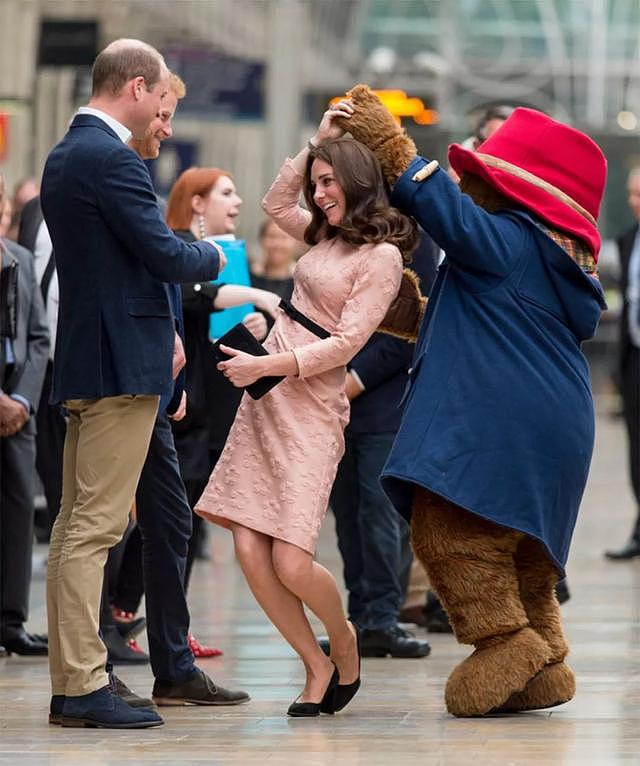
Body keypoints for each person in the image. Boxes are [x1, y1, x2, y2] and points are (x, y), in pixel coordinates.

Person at [339, 86, 606, 717]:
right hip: (556, 420)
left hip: (506, 422)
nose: (469, 176)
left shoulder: (510, 237)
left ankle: (506, 642)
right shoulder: (546, 256)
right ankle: (546, 661)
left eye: (484, 169)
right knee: (522, 555)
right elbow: (488, 316)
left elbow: (439, 208)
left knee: (449, 531)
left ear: (518, 189)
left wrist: (386, 141)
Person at [195, 103, 416, 717]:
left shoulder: (382, 258)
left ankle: (342, 638)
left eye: (328, 181)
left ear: (358, 181)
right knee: (247, 547)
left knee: (291, 557)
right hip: (264, 395)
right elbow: (273, 202)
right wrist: (314, 141)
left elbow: (347, 345)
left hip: (309, 406)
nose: (318, 194)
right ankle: (315, 664)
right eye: (315, 183)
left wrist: (264, 365)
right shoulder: (324, 235)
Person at [40, 38, 224, 729]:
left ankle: (74, 680)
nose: (161, 119)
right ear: (139, 87)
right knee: (95, 527)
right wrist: (214, 252)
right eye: (162, 104)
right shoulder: (109, 158)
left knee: (75, 527)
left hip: (91, 358)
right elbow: (162, 251)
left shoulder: (69, 152)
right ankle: (84, 685)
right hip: (121, 365)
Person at [328, 232, 437, 658]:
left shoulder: (414, 236)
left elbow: (410, 327)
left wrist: (352, 382)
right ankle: (358, 619)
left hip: (382, 400)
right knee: (346, 512)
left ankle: (383, 618)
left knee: (380, 514)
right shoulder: (338, 233)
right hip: (332, 397)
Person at [0, 173, 49, 656]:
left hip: (19, 407)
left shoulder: (21, 260)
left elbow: (37, 337)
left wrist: (22, 400)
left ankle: (12, 620)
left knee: (18, 511)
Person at [604, 167, 640, 561]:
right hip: (634, 358)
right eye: (631, 194)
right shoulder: (628, 240)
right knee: (636, 448)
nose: (634, 202)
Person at [250, 219, 297, 301]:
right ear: (261, 240)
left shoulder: (302, 281)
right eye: (272, 236)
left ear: (296, 241)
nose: (277, 244)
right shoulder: (249, 276)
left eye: (284, 237)